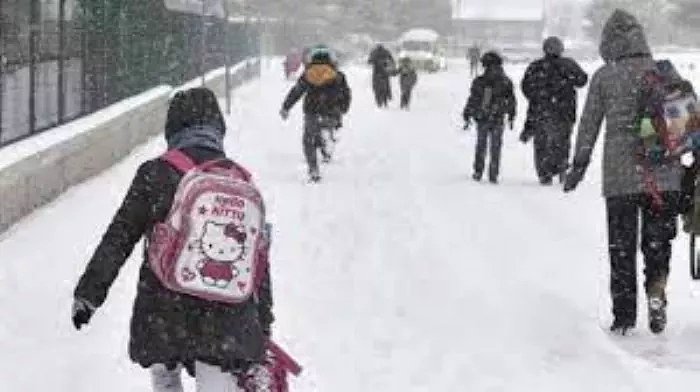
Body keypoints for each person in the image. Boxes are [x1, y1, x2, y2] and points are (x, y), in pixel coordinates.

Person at [71, 87, 274, 392]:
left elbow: (120, 236)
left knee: (165, 375)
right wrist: (263, 321)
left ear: (172, 128)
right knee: (216, 377)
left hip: (164, 309)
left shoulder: (155, 173)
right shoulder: (239, 181)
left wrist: (89, 293)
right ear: (218, 128)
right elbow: (256, 259)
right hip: (224, 315)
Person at [564, 10, 683, 335]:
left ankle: (624, 316)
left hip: (620, 178)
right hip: (666, 176)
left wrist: (578, 165)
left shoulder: (605, 76)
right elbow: (685, 124)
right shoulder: (664, 73)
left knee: (622, 248)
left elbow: (589, 124)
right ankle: (656, 290)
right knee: (657, 243)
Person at [521, 36, 588, 185]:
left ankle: (544, 173)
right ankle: (561, 166)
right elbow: (582, 80)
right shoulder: (568, 64)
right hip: (564, 112)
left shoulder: (536, 66)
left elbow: (526, 88)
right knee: (562, 142)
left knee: (541, 144)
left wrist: (538, 97)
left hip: (540, 112)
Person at [280, 46, 352, 182]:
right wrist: (343, 109)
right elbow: (346, 94)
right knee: (328, 128)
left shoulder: (307, 74)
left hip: (312, 111)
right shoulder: (338, 76)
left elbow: (296, 91)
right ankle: (328, 142)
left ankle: (313, 169)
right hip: (331, 112)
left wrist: (286, 107)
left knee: (308, 140)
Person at [463, 51, 516, 184]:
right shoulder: (505, 81)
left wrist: (468, 113)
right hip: (497, 117)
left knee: (481, 145)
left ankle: (478, 171)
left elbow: (473, 99)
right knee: (495, 146)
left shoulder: (480, 81)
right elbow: (511, 100)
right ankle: (493, 173)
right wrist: (511, 115)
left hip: (483, 117)